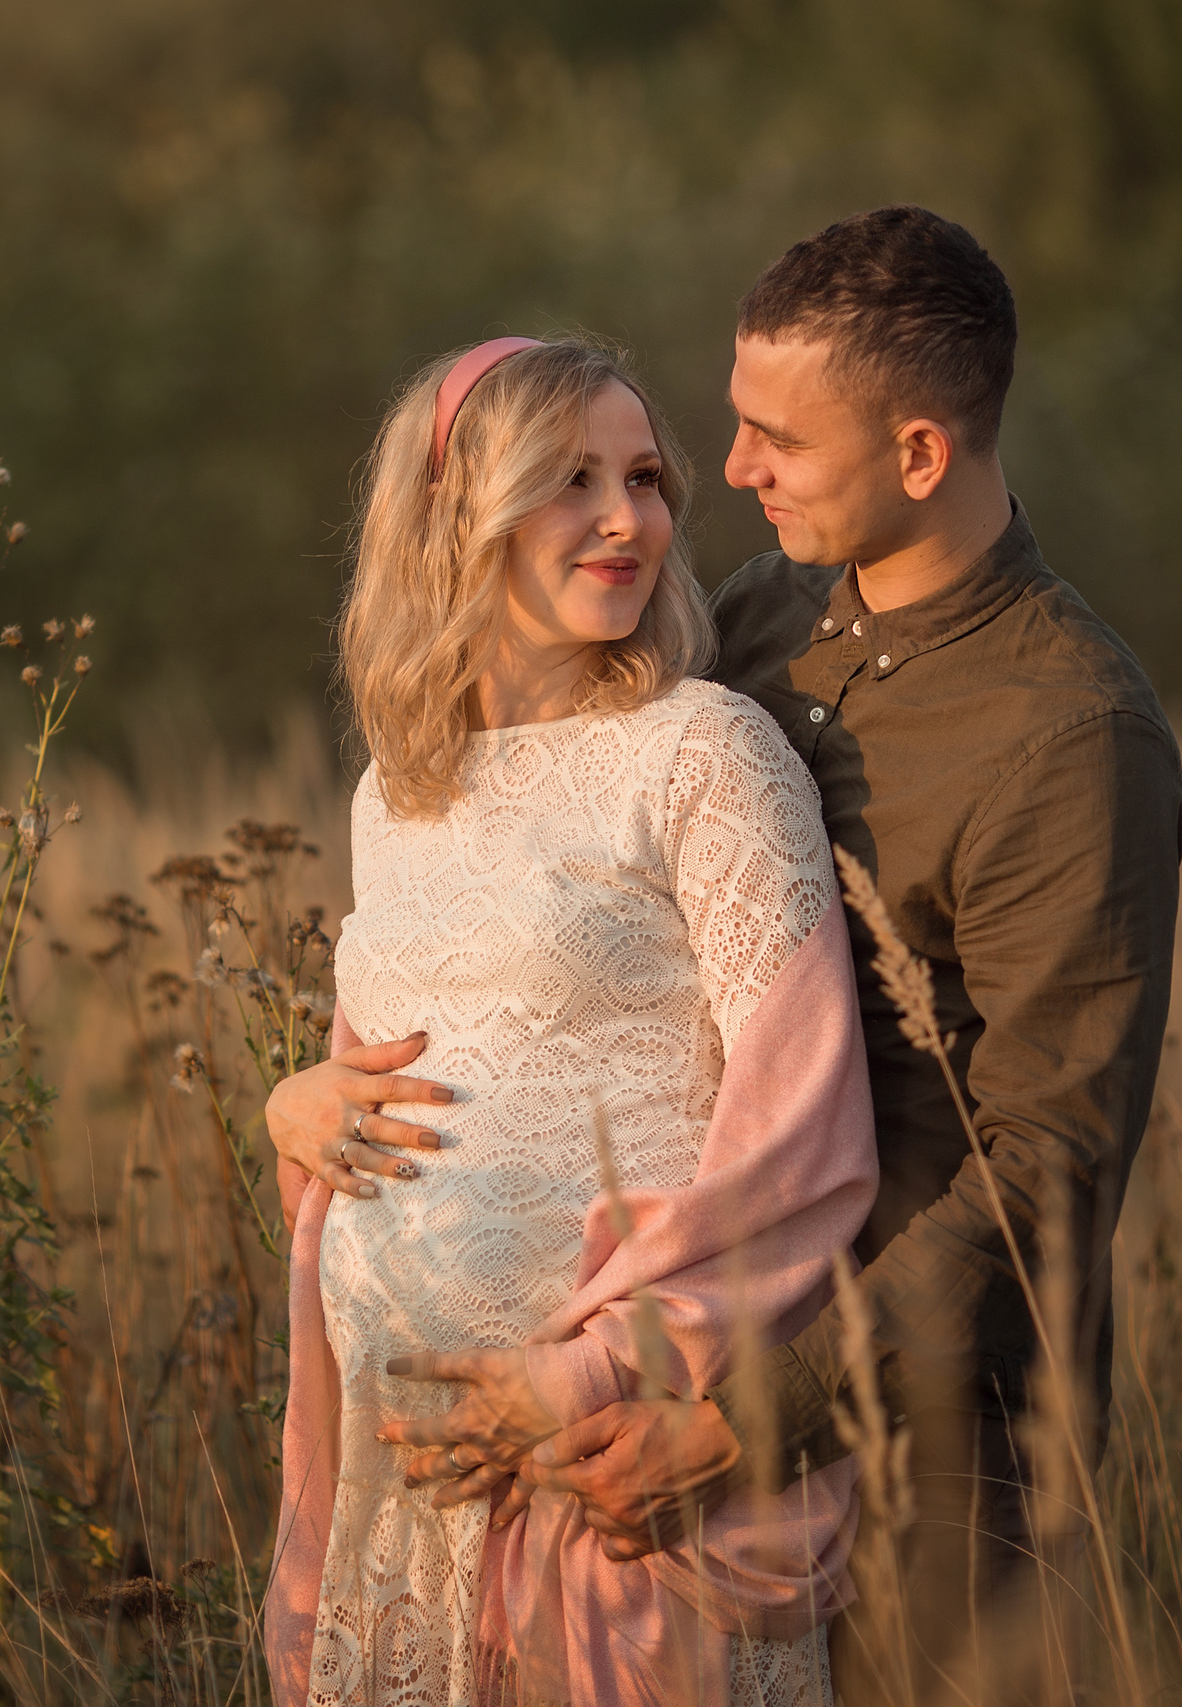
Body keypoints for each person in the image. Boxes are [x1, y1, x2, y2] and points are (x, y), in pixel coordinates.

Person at [338, 209, 1182, 1703]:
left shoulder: (1071, 736)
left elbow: (1046, 1164)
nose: (730, 474)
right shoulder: (765, 618)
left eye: (774, 441)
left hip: (927, 1438)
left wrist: (743, 1416)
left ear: (921, 456)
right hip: (669, 1389)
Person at [258, 335, 880, 1706]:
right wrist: (290, 1108)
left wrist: (593, 1375)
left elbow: (803, 1144)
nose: (626, 518)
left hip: (615, 1485)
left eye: (646, 477)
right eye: (569, 480)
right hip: (413, 1496)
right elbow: (383, 1097)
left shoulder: (701, 753)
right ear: (451, 517)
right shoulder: (393, 793)